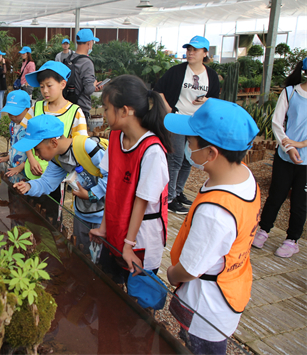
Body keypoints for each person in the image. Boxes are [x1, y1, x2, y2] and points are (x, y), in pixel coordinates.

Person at [164, 99, 260, 355]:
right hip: (231, 288)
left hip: (205, 309)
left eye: (191, 142)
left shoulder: (215, 212)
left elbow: (191, 269)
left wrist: (172, 274)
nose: (186, 146)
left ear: (211, 153)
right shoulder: (244, 178)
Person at [89, 75, 171, 283]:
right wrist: (103, 228)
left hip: (140, 238)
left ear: (125, 111)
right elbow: (113, 187)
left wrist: (128, 245)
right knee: (110, 289)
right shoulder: (116, 137)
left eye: (107, 109)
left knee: (138, 299)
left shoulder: (151, 150)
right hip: (118, 229)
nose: (104, 114)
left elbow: (141, 201)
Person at [13, 114, 107, 252]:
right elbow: (47, 183)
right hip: (82, 213)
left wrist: (91, 195)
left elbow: (112, 175)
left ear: (53, 143)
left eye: (37, 149)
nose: (36, 155)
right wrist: (29, 186)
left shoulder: (87, 146)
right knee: (83, 252)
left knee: (103, 259)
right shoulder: (57, 159)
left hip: (104, 216)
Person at [154, 35, 220, 215]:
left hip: (197, 122)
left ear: (205, 53)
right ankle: (170, 197)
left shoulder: (211, 76)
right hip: (177, 119)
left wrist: (206, 100)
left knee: (188, 159)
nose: (190, 53)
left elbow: (215, 99)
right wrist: (169, 110)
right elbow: (158, 90)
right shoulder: (177, 71)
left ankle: (178, 191)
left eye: (195, 50)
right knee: (174, 158)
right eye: (189, 49)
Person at [253, 58, 307, 258]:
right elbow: (277, 123)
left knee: (300, 202)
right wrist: (288, 146)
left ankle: (292, 240)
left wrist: (300, 145)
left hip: (305, 161)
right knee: (276, 195)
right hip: (285, 156)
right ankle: (263, 230)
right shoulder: (290, 92)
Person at [20, 61, 87, 181]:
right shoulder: (36, 108)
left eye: (49, 86)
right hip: (33, 170)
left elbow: (80, 145)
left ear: (62, 84)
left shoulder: (75, 112)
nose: (45, 90)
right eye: (41, 86)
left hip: (58, 176)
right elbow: (25, 136)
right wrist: (31, 158)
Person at [0, 90, 31, 183]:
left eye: (16, 113)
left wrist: (21, 167)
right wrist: (7, 157)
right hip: (12, 168)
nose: (12, 116)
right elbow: (13, 145)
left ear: (27, 109)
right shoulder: (12, 125)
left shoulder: (30, 128)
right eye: (10, 113)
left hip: (25, 172)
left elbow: (34, 154)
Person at [63, 29, 100, 121]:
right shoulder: (87, 62)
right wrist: (94, 84)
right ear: (89, 43)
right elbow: (88, 90)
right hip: (81, 109)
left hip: (67, 106)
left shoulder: (69, 59)